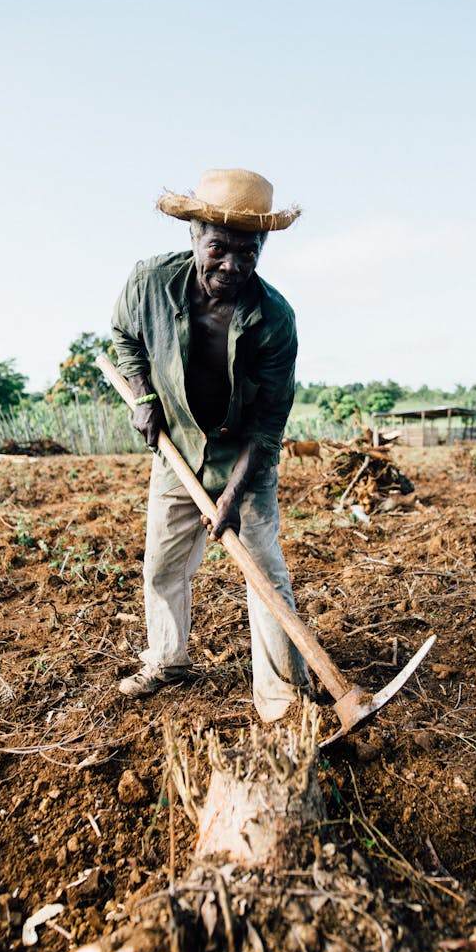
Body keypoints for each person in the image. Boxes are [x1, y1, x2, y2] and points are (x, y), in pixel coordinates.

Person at [111, 168, 309, 722]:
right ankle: (167, 660)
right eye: (218, 247)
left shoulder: (275, 320)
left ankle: (281, 698)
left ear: (261, 250)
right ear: (194, 236)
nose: (232, 265)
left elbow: (269, 424)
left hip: (245, 454)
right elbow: (123, 335)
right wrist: (143, 395)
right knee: (163, 563)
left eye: (248, 253)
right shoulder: (148, 283)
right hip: (178, 446)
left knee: (264, 571)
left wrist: (233, 496)